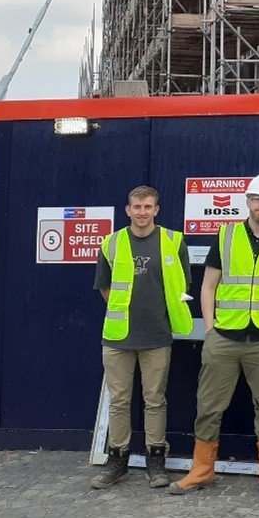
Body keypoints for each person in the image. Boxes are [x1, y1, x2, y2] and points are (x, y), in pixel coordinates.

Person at [169, 174, 259, 499]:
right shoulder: (227, 235)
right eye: (257, 198)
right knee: (209, 405)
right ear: (247, 200)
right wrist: (210, 327)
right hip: (225, 336)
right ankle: (202, 470)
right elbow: (208, 284)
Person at [91, 185, 192, 490]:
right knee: (119, 401)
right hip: (118, 337)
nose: (142, 212)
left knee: (155, 400)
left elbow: (184, 286)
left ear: (156, 210)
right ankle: (117, 461)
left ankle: (155, 461)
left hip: (157, 335)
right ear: (128, 210)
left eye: (148, 207)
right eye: (137, 206)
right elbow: (105, 288)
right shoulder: (112, 243)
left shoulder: (174, 241)